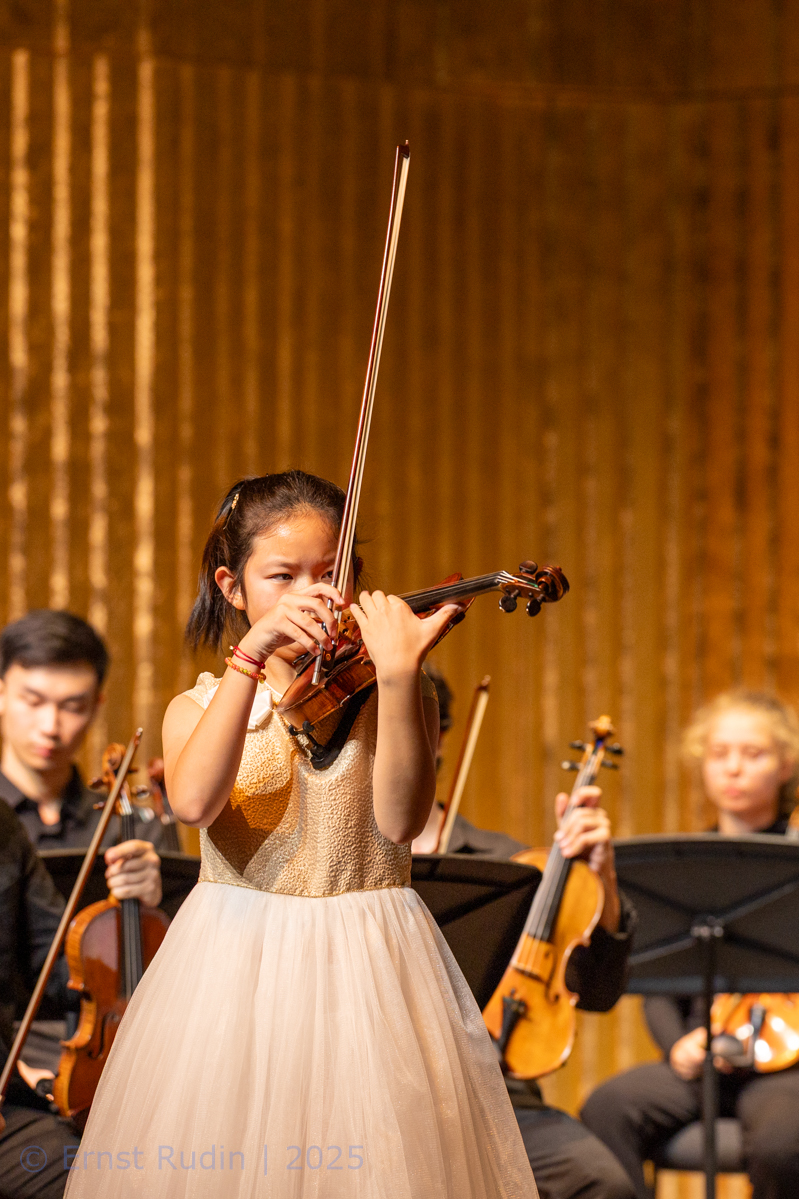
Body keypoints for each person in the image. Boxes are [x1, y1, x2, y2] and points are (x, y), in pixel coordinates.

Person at [65, 470, 538, 1198]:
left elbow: (401, 820)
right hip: (233, 959)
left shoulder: (382, 689)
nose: (313, 594)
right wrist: (249, 659)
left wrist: (403, 672)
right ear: (232, 586)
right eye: (282, 576)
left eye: (331, 573)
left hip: (370, 956)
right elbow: (192, 801)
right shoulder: (197, 705)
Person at [414, 666, 636, 1199]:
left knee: (600, 1181)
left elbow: (598, 992)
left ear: (440, 737)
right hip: (362, 1088)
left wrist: (601, 881)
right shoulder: (334, 864)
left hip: (495, 1095)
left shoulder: (505, 866)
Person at [581, 689, 799, 1199]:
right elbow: (657, 978)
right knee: (606, 1109)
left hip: (789, 1065)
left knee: (783, 1144)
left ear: (786, 765)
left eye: (754, 754)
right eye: (720, 755)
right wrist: (675, 1044)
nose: (734, 769)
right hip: (700, 1053)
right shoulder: (682, 868)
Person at [0, 610, 163, 1085]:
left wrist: (157, 909)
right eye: (33, 700)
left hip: (111, 1050)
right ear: (2, 693)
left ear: (96, 705)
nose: (51, 726)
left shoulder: (134, 826)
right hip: (17, 1050)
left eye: (72, 705)